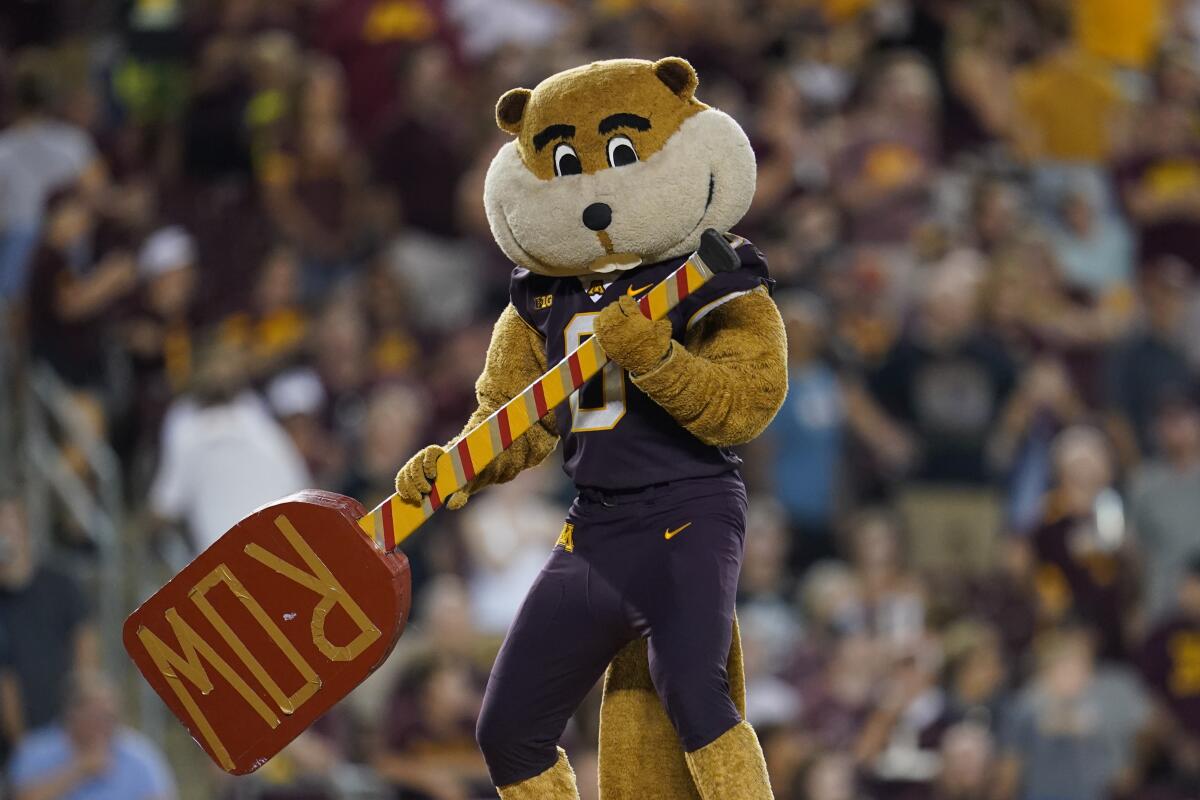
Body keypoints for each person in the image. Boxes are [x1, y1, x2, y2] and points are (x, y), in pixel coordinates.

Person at [0, 489, 97, 747]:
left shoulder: (60, 584)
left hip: (68, 729)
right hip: (19, 745)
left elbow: (85, 649)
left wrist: (83, 715)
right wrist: (23, 747)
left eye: (8, 524)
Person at [9, 670, 175, 800]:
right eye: (95, 716)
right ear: (71, 714)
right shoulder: (35, 751)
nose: (104, 725)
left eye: (109, 717)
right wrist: (79, 769)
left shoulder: (140, 756)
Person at [1128, 390, 1200, 618]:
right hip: (1163, 606)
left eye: (1182, 418)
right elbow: (1135, 552)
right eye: (1168, 420)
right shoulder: (1143, 482)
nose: (1175, 428)